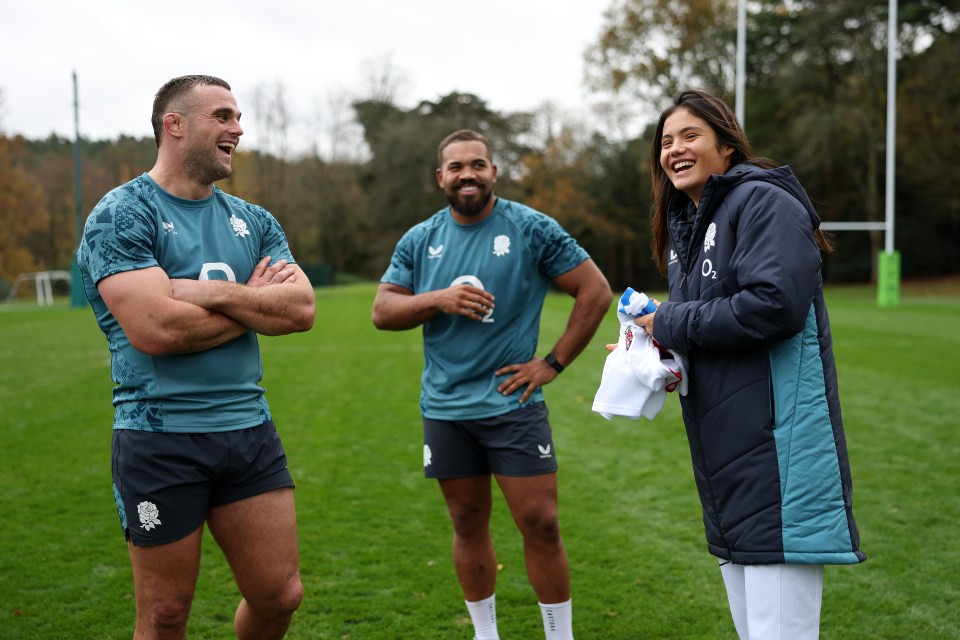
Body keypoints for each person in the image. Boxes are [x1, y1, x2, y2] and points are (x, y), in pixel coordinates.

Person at [76, 75, 315, 639]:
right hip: (160, 440)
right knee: (164, 616)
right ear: (173, 125)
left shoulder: (255, 221)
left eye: (237, 116)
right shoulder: (120, 215)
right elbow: (158, 328)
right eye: (222, 115)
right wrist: (256, 300)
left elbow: (300, 310)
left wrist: (205, 292)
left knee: (280, 596)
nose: (238, 127)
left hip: (248, 431)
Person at [631, 89, 865, 639]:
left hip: (777, 460)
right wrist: (658, 355)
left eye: (690, 135)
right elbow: (712, 329)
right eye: (666, 141)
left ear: (728, 147)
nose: (675, 149)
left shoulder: (763, 201)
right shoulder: (686, 227)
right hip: (727, 463)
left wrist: (667, 324)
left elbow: (773, 307)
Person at [372, 129, 612, 640]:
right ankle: (486, 634)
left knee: (542, 523)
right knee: (466, 522)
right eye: (456, 167)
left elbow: (594, 291)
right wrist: (437, 299)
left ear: (493, 173)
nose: (467, 175)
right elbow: (383, 310)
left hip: (513, 404)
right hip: (446, 409)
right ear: (441, 177)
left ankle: (559, 635)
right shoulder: (421, 238)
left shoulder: (530, 228)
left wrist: (552, 362)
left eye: (477, 165)